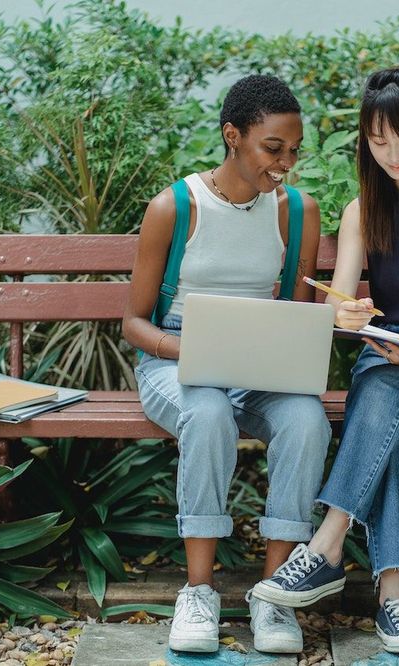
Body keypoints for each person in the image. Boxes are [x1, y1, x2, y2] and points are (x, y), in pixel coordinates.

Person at [251, 64, 399, 654]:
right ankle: (393, 596)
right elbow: (341, 306)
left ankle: (327, 545)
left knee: (381, 393)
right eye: (378, 140)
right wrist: (349, 315)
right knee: (388, 418)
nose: (393, 154)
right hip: (388, 356)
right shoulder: (363, 209)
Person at [122, 74, 330, 655]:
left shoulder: (296, 210)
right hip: (176, 358)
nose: (286, 163)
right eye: (273, 148)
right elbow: (134, 322)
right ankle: (198, 592)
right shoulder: (176, 207)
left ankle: (273, 594)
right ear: (232, 135)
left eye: (294, 150)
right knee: (208, 412)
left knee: (306, 420)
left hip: (260, 362)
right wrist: (196, 349)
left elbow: (299, 314)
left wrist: (332, 323)